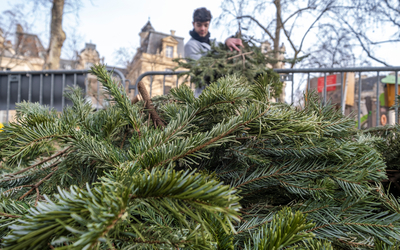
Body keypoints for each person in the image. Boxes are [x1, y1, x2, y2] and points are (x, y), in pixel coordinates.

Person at [184, 7, 243, 96]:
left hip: (222, 93)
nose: (203, 28)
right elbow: (202, 69)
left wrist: (227, 41)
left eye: (206, 25)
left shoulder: (213, 43)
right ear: (193, 24)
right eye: (199, 25)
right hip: (204, 95)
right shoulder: (190, 45)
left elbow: (223, 49)